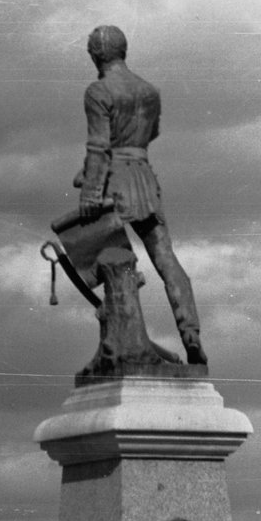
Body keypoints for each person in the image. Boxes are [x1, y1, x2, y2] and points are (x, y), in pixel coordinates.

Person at [74, 25, 206, 367]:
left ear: (95, 54)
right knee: (167, 260)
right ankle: (190, 332)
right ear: (124, 50)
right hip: (146, 180)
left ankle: (124, 341)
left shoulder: (98, 91)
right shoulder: (149, 91)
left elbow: (99, 147)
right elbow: (153, 132)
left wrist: (90, 192)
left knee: (111, 265)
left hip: (113, 185)